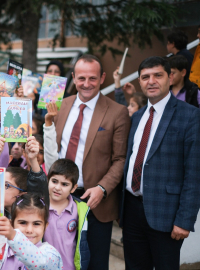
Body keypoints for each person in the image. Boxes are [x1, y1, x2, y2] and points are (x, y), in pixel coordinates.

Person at [119, 56, 200, 269]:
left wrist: (184, 220)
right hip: (131, 211)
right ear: (139, 82)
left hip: (166, 215)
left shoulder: (190, 116)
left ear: (170, 77)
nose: (151, 81)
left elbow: (194, 173)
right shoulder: (137, 117)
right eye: (145, 77)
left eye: (158, 75)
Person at [54, 54, 131, 270]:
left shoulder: (117, 112)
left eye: (92, 78)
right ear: (73, 77)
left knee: (95, 264)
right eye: (81, 78)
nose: (86, 84)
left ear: (102, 78)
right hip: (59, 196)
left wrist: (102, 188)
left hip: (94, 200)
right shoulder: (62, 104)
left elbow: (120, 159)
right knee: (60, 259)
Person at [45, 159, 90, 270]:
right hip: (44, 266)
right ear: (48, 180)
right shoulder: (40, 207)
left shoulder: (79, 210)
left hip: (70, 267)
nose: (58, 187)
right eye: (54, 181)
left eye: (64, 184)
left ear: (74, 188)